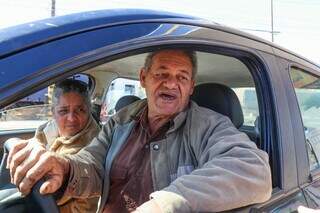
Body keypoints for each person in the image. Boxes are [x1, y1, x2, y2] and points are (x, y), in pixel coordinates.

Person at [7, 49, 272, 212]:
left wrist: (163, 205)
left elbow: (253, 168)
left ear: (191, 87)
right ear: (144, 78)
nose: (171, 83)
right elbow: (92, 162)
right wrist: (64, 168)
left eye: (182, 77)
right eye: (161, 74)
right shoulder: (122, 120)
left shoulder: (208, 125)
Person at [6, 79, 100, 213]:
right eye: (63, 111)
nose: (72, 118)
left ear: (89, 110)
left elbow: (85, 207)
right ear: (53, 111)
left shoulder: (95, 148)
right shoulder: (47, 130)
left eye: (80, 110)